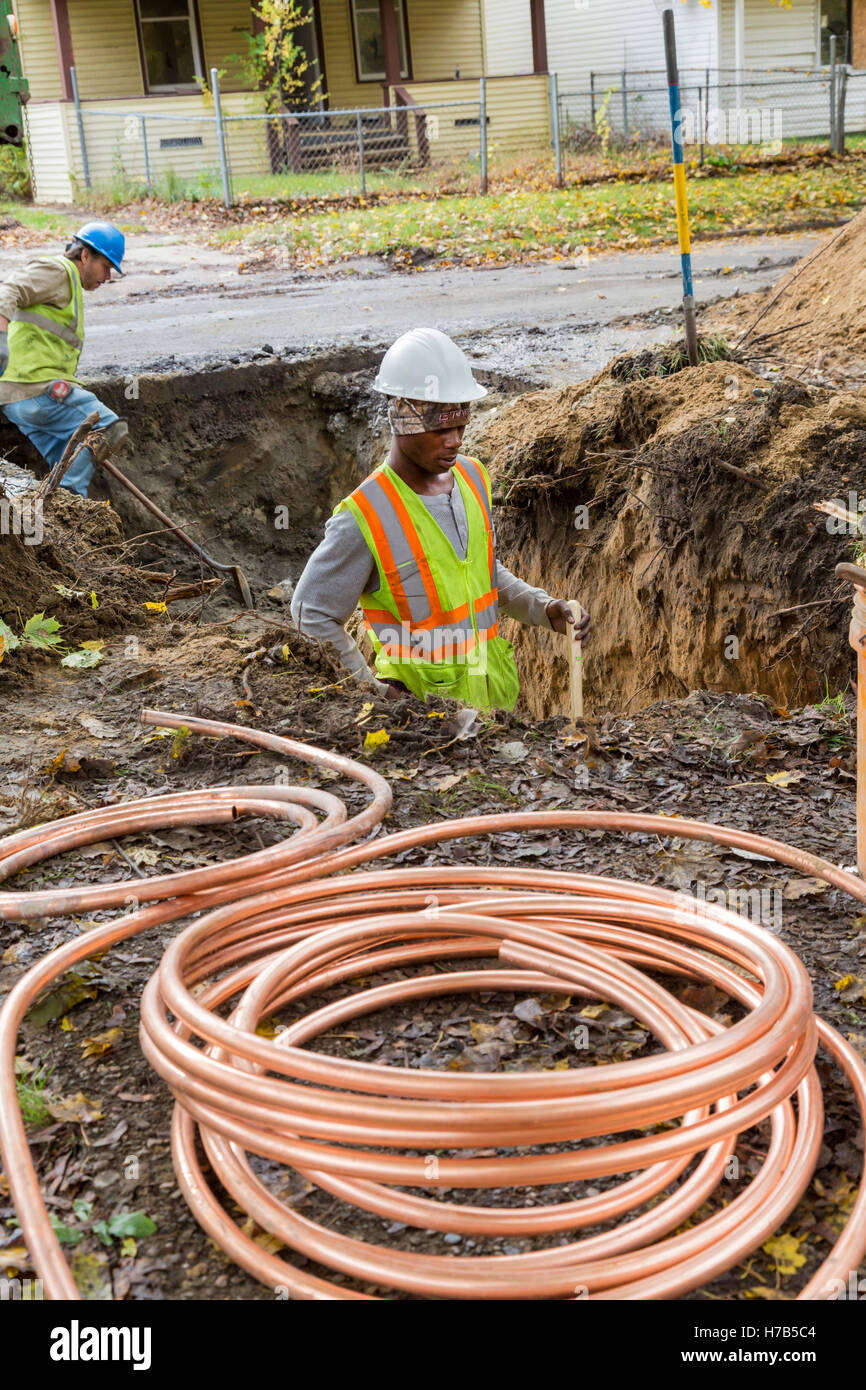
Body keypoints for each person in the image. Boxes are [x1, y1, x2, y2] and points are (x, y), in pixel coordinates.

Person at [291, 327, 591, 710]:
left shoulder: (473, 478)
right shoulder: (366, 515)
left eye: (460, 426)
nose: (455, 441)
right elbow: (311, 614)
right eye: (441, 430)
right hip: (424, 721)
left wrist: (542, 608)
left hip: (490, 710)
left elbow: (479, 573)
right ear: (402, 418)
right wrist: (373, 691)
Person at [0, 221, 129, 498]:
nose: (108, 277)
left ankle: (63, 510)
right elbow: (7, 290)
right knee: (109, 428)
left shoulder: (68, 286)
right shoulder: (58, 271)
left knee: (66, 464)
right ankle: (60, 496)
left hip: (17, 399)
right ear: (85, 255)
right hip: (36, 387)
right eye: (106, 267)